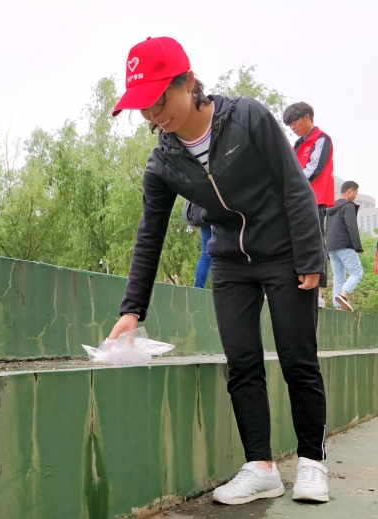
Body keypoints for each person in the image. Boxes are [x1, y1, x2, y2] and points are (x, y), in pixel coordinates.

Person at [109, 37, 329, 505]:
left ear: (188, 82)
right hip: (229, 261)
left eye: (160, 100)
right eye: (143, 108)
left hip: (285, 253)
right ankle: (261, 467)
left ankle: (312, 461)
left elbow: (294, 184)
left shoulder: (247, 117)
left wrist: (311, 257)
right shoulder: (163, 161)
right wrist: (131, 310)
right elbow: (150, 235)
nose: (154, 116)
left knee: (298, 358)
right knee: (242, 364)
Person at [283, 103, 334, 307]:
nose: (292, 128)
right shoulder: (297, 144)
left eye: (294, 122)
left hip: (315, 199)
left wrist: (291, 182)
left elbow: (314, 168)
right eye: (289, 125)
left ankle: (319, 292)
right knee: (294, 242)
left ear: (307, 117)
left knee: (316, 243)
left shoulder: (321, 139)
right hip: (296, 201)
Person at [326, 181, 364, 311]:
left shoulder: (331, 207)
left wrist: (328, 248)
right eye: (355, 193)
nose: (355, 196)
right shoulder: (348, 206)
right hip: (344, 245)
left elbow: (327, 229)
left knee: (338, 277)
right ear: (350, 191)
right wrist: (358, 246)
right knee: (357, 273)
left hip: (331, 247)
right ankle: (343, 295)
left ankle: (338, 307)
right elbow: (351, 226)